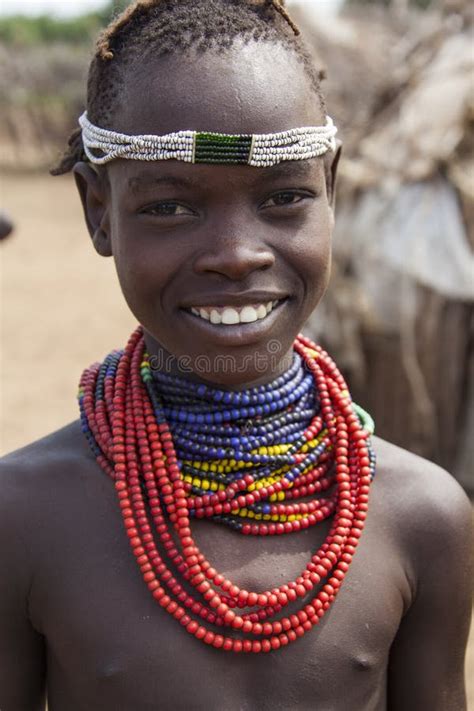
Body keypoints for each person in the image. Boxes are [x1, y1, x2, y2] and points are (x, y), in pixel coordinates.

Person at [0, 2, 472, 710]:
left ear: (332, 190)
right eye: (171, 207)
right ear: (98, 209)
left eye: (284, 197)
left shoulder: (422, 518)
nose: (236, 255)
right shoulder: (24, 518)